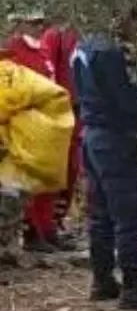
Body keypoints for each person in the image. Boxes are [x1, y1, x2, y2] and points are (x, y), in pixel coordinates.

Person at [73, 5, 137, 311]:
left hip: (92, 136)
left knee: (100, 211)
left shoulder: (83, 48)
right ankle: (133, 286)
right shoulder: (109, 54)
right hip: (115, 140)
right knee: (128, 213)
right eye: (135, 20)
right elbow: (123, 100)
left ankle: (102, 279)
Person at [3, 10, 66, 253]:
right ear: (21, 24)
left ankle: (47, 228)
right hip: (26, 122)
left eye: (42, 23)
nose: (40, 27)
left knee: (48, 178)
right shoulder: (14, 50)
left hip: (47, 122)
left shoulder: (42, 50)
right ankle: (31, 232)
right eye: (34, 23)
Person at [41, 19, 82, 236]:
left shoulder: (83, 34)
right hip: (62, 109)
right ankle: (47, 224)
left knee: (73, 168)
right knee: (61, 166)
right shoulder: (55, 34)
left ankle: (56, 220)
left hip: (81, 109)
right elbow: (50, 71)